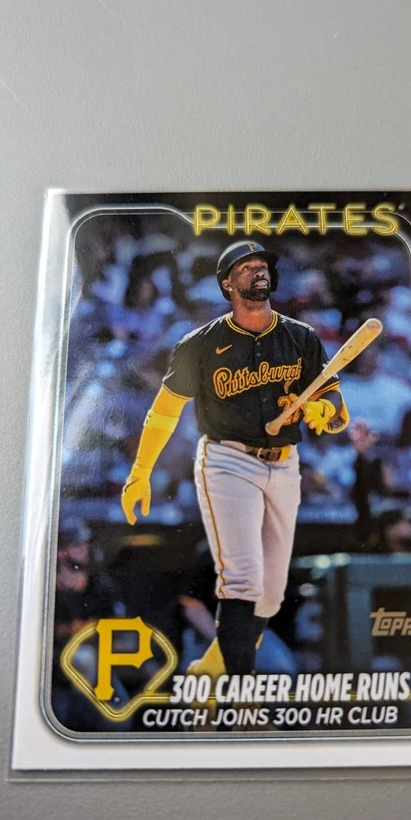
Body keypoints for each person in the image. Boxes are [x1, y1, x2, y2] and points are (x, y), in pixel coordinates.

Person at [121, 240, 349, 678]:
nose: (258, 271)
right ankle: (238, 695)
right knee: (243, 580)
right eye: (246, 268)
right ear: (227, 284)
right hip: (229, 460)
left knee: (271, 594)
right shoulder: (200, 344)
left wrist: (323, 412)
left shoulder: (301, 337)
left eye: (262, 265)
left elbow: (337, 408)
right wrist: (141, 472)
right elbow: (164, 412)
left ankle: (208, 673)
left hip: (284, 462)